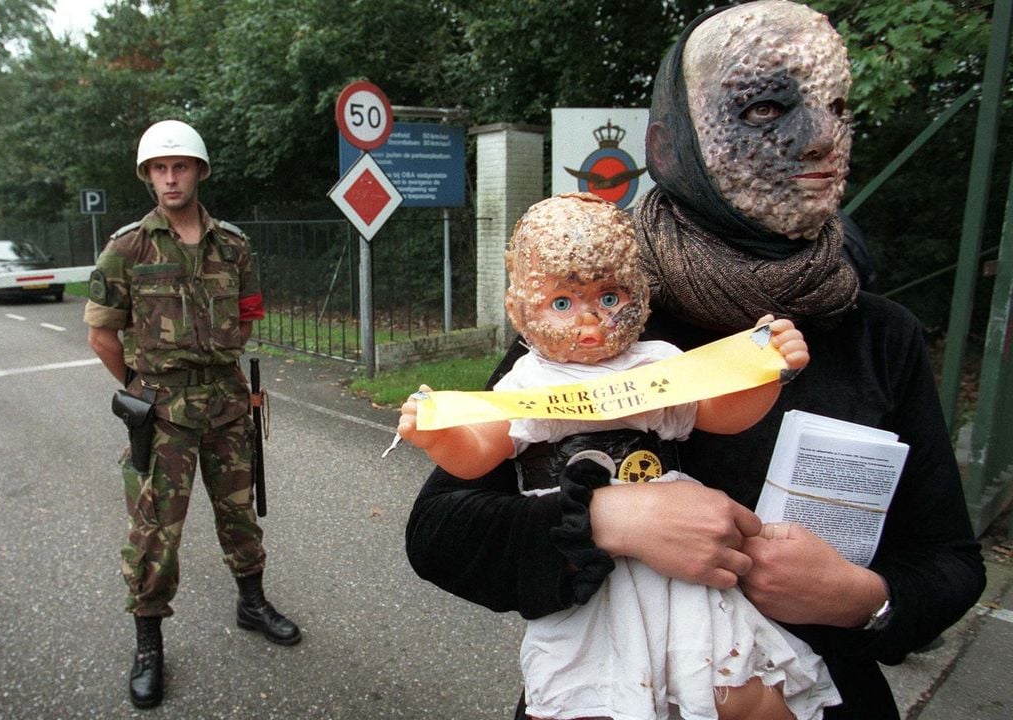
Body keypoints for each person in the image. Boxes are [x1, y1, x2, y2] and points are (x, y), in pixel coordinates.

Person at [403, 3, 986, 719]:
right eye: (766, 108)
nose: (819, 137)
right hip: (611, 690)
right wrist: (611, 519)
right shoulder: (599, 308)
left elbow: (949, 561)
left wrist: (865, 600)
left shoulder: (878, 334)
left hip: (815, 694)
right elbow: (442, 531)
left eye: (835, 106)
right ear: (673, 141)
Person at [398, 192, 834, 720]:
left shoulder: (654, 363)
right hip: (588, 569)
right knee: (592, 692)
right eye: (562, 304)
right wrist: (437, 435)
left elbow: (719, 412)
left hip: (680, 561)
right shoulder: (529, 379)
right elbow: (478, 454)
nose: (590, 322)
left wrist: (766, 374)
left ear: (641, 295)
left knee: (732, 687)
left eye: (609, 298)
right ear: (520, 311)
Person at [84, 119, 301, 710]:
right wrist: (139, 388)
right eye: (160, 168)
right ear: (148, 176)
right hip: (162, 413)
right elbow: (101, 334)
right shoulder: (127, 247)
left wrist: (219, 364)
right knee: (156, 533)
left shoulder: (233, 245)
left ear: (199, 171)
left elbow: (248, 314)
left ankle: (252, 602)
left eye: (180, 166)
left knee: (239, 514)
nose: (170, 178)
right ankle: (148, 644)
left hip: (226, 403)